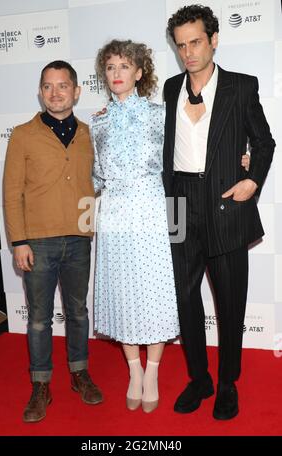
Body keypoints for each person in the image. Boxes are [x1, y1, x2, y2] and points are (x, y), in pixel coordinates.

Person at [163, 5, 275, 420]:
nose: (188, 52)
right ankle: (199, 379)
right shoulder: (170, 88)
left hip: (226, 202)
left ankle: (228, 382)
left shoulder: (242, 87)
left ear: (213, 39)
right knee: (183, 297)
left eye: (195, 42)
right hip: (178, 202)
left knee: (231, 301)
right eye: (181, 45)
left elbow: (264, 142)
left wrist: (253, 180)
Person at [3, 60, 103, 423]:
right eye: (48, 86)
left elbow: (102, 182)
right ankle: (41, 384)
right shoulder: (23, 134)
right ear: (40, 91)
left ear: (76, 91)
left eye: (63, 86)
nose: (55, 93)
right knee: (39, 320)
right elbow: (12, 193)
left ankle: (79, 374)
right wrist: (19, 242)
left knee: (78, 312)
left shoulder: (92, 133)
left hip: (79, 239)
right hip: (39, 243)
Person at [90, 39, 180, 413]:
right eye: (110, 67)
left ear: (140, 73)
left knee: (155, 292)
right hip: (114, 214)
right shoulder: (97, 122)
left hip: (154, 210)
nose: (116, 74)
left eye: (124, 66)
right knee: (123, 292)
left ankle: (153, 372)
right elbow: (96, 176)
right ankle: (133, 372)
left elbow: (183, 159)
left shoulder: (161, 115)